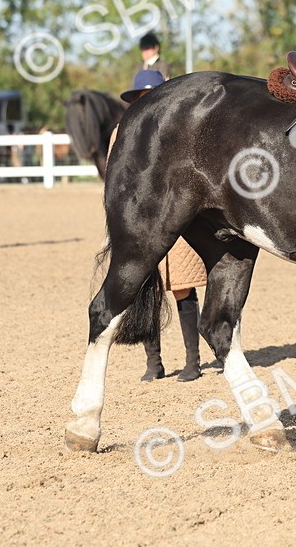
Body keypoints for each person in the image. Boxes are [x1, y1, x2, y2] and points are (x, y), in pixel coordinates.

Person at [110, 69, 206, 381]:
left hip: (178, 218)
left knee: (182, 289)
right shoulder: (121, 131)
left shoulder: (184, 125)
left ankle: (193, 361)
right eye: (143, 96)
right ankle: (154, 363)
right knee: (144, 288)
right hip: (141, 221)